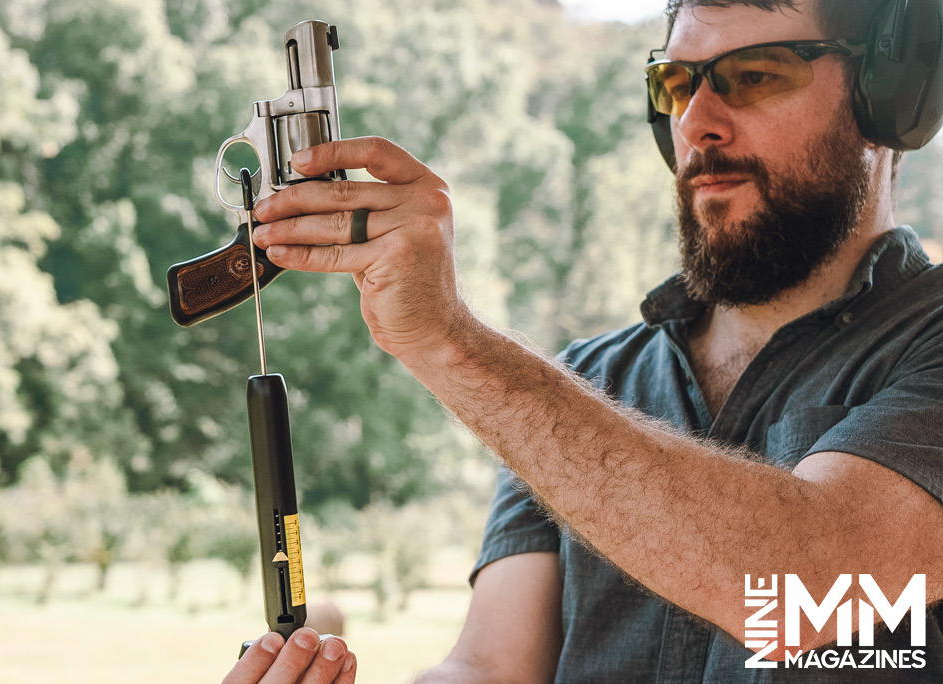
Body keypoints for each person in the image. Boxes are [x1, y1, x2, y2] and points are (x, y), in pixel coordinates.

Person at [223, 0, 943, 681]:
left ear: (890, 98)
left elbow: (805, 588)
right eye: (677, 84)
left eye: (755, 77)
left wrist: (451, 342)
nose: (698, 122)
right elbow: (493, 668)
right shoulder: (577, 386)